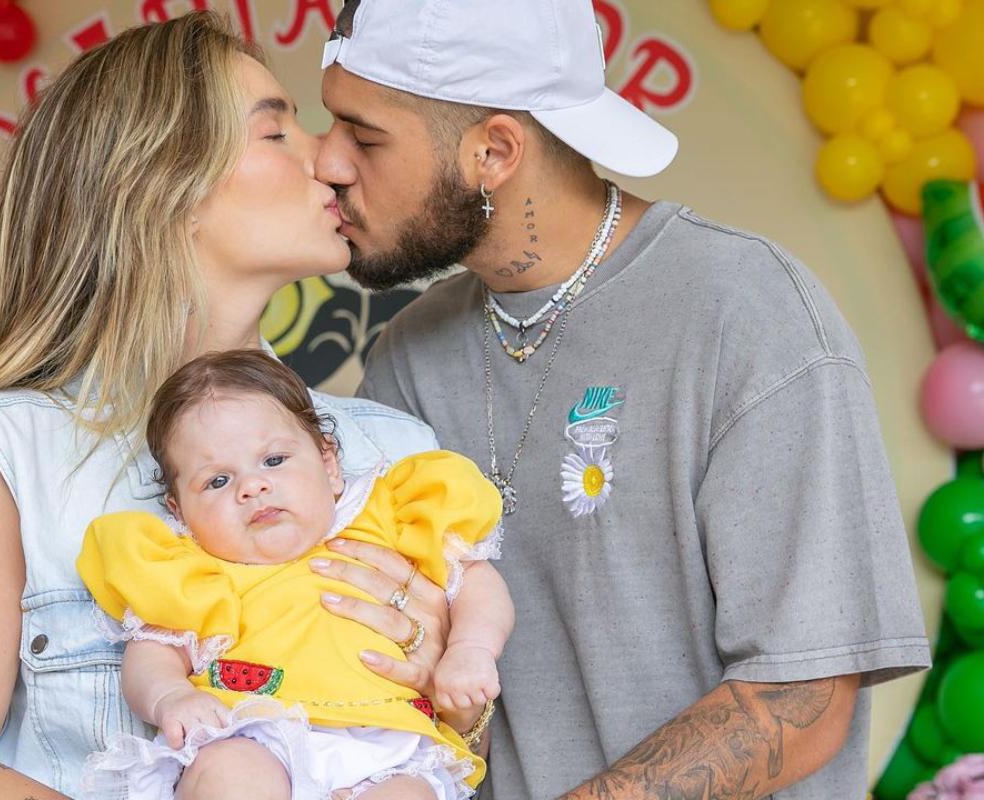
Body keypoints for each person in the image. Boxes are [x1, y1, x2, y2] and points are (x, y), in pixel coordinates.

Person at [315, 1, 932, 798]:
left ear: (494, 151)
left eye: (363, 137)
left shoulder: (746, 312)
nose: (326, 161)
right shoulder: (409, 356)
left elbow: (800, 701)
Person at [0, 14, 476, 799]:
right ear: (164, 187)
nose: (328, 157)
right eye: (273, 133)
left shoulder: (395, 451)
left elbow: (452, 743)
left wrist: (456, 697)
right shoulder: (5, 450)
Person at [75, 349, 513, 799]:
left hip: (389, 742)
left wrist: (470, 648)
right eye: (218, 482)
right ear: (179, 510)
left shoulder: (389, 516)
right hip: (252, 733)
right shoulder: (195, 569)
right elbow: (151, 654)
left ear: (329, 463)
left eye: (274, 460)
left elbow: (477, 583)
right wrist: (170, 695)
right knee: (228, 772)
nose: (253, 486)